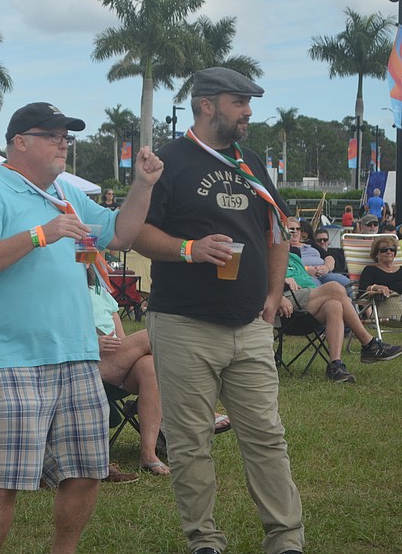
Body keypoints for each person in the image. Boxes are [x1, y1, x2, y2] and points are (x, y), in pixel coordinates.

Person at [0, 101, 162, 554]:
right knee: (2, 477)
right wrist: (40, 235)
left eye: (66, 136)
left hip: (76, 353)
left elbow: (120, 234)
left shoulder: (65, 191)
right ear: (20, 142)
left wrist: (143, 186)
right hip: (11, 358)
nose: (62, 143)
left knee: (88, 468)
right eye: (52, 135)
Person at [132, 67, 304, 554]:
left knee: (267, 436)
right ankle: (204, 541)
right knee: (190, 443)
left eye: (249, 102)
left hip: (249, 323)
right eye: (239, 101)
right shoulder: (168, 162)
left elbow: (276, 230)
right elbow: (136, 231)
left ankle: (286, 540)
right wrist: (190, 248)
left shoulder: (250, 163)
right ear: (207, 104)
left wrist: (273, 295)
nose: (249, 110)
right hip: (184, 324)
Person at [87, 268, 168, 475]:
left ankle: (148, 454)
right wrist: (91, 343)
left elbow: (122, 339)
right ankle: (192, 403)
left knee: (150, 366)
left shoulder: (102, 294)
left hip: (115, 366)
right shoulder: (60, 292)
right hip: (86, 363)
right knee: (155, 333)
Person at [283, 247, 402, 383]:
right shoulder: (267, 254)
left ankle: (335, 366)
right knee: (334, 287)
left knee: (334, 305)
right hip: (285, 301)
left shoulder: (293, 256)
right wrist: (282, 280)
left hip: (308, 300)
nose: (289, 235)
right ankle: (369, 344)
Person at [287, 217, 350, 293]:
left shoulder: (310, 243)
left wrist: (326, 267)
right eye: (292, 229)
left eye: (298, 229)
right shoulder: (287, 248)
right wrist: (306, 269)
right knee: (319, 289)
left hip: (324, 273)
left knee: (347, 283)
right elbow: (290, 267)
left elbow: (328, 257)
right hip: (306, 276)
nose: (295, 232)